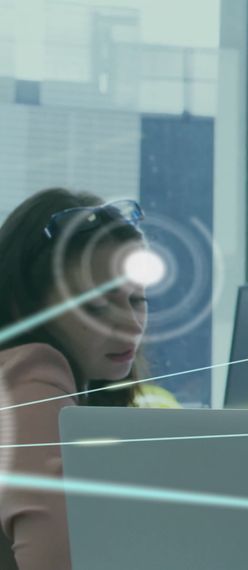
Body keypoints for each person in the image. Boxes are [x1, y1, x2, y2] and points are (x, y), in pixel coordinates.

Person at [0, 189, 149, 570]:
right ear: (26, 306)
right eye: (95, 305)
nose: (131, 325)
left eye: (137, 300)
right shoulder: (29, 375)